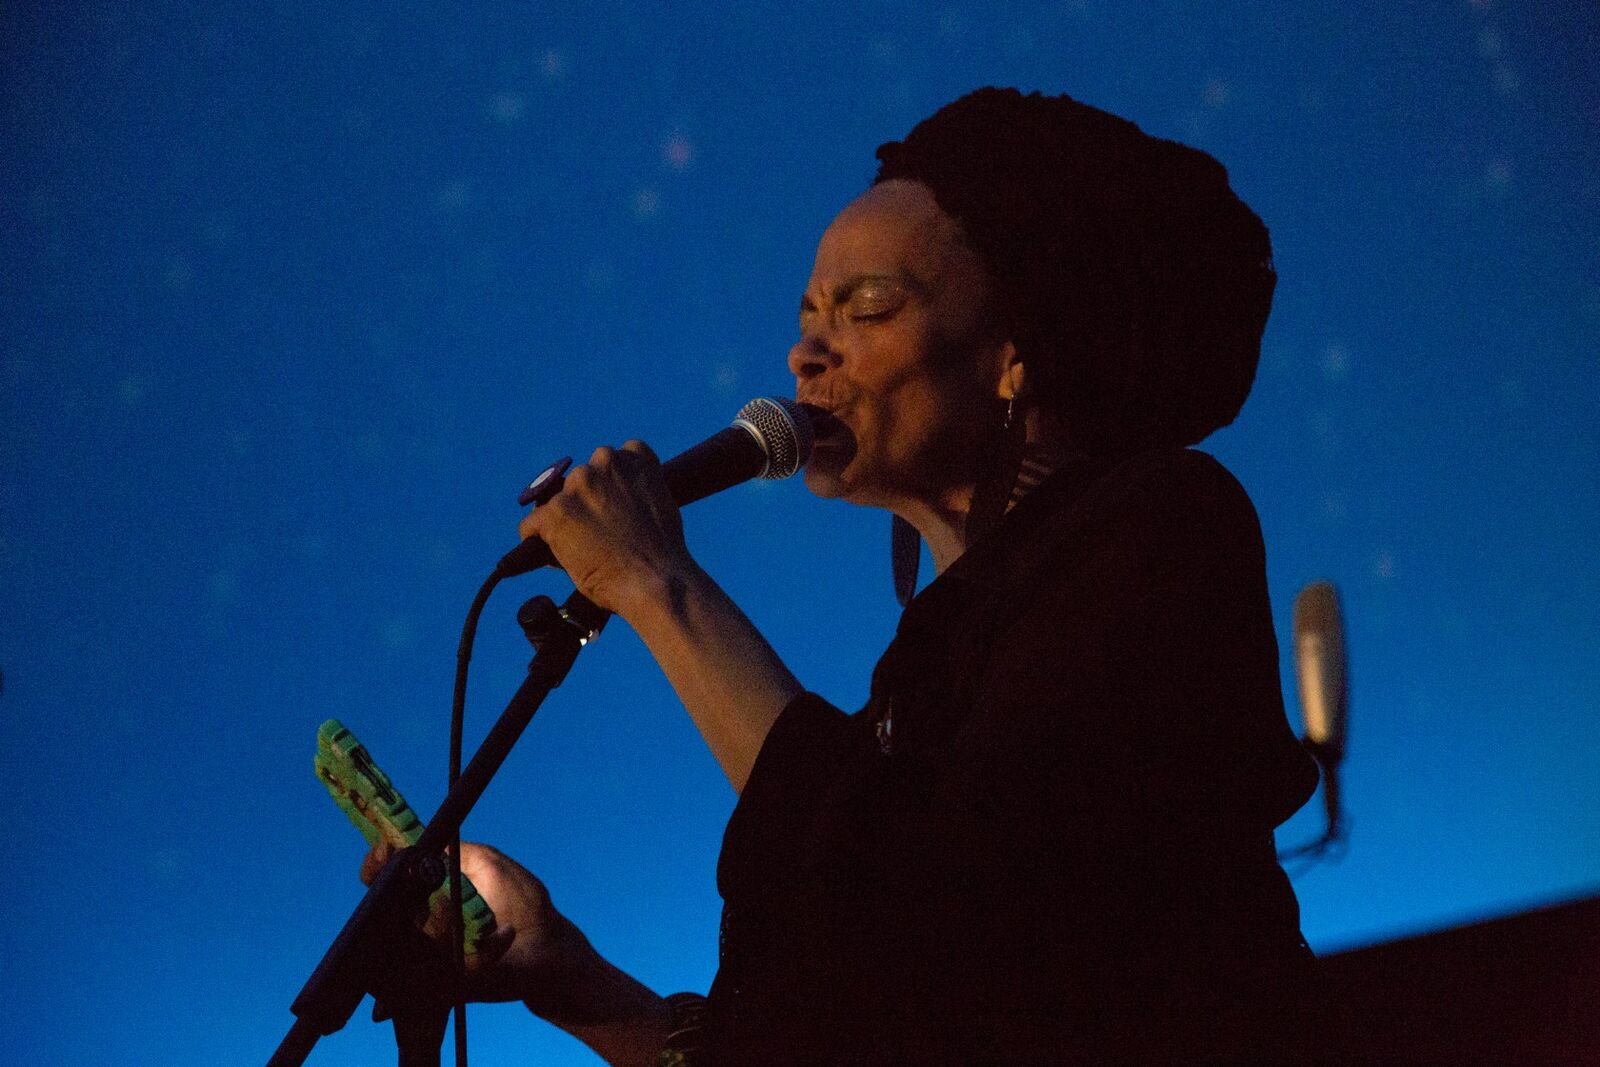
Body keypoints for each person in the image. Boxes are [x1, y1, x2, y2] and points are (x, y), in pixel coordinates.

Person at [368, 87, 1321, 1064]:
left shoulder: (1163, 522)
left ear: (1014, 354)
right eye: (808, 315)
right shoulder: (921, 679)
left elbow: (940, 920)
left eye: (867, 308)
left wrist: (654, 579)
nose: (804, 353)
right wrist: (571, 979)